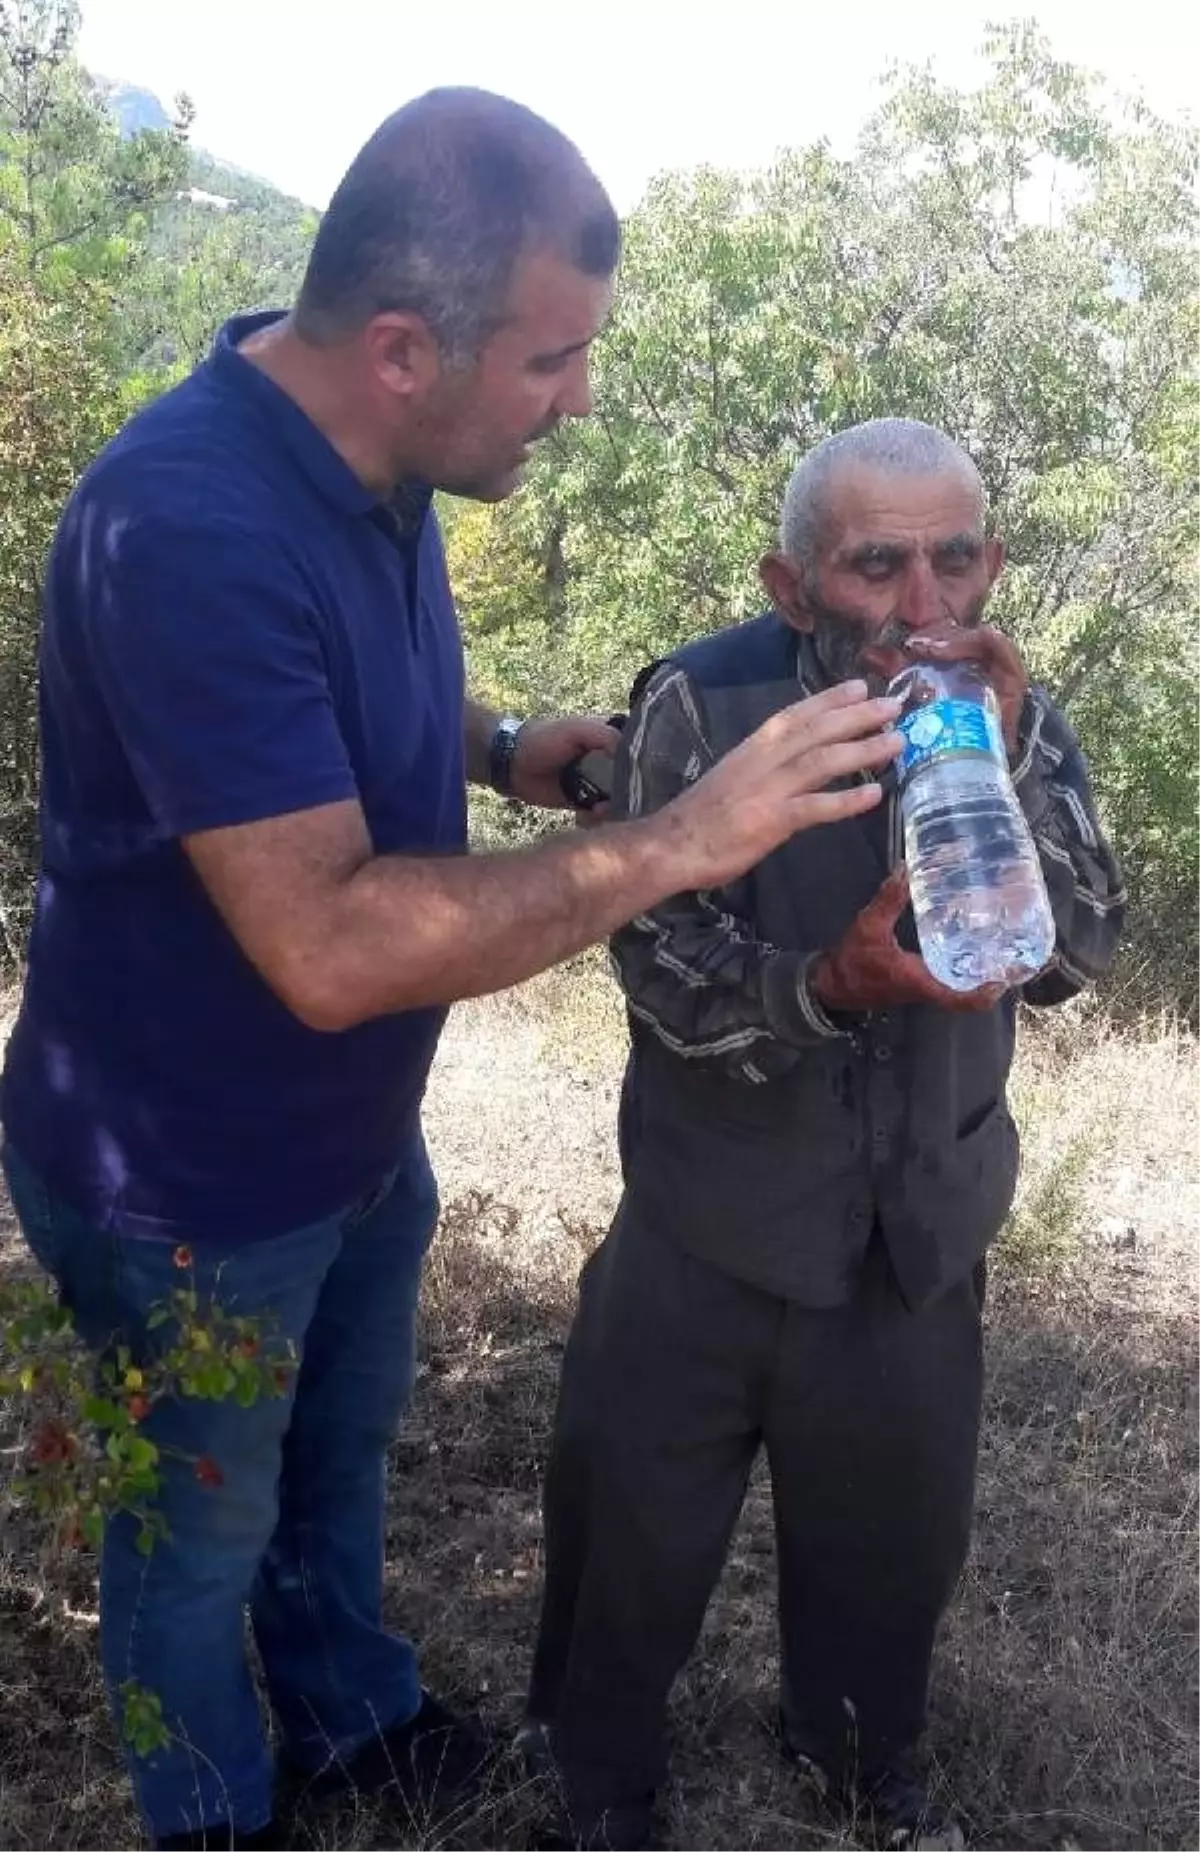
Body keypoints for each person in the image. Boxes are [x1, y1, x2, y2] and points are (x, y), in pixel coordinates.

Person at [0, 94, 905, 1852]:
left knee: (330, 1471)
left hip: (343, 1147)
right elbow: (331, 944)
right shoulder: (185, 524)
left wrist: (500, 745)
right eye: (555, 358)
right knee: (190, 1542)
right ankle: (216, 1813)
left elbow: (329, 705)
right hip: (187, 1183)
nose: (582, 398)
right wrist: (672, 837)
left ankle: (350, 1719)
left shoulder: (379, 457)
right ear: (406, 347)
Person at [525, 418, 1126, 1852]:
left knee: (891, 1544)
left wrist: (1017, 754)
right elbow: (654, 958)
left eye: (955, 558)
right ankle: (598, 1781)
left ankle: (858, 1760)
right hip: (708, 1225)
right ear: (793, 586)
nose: (926, 607)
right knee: (631, 1531)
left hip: (917, 1225)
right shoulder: (703, 705)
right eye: (877, 567)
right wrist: (819, 988)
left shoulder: (1011, 708)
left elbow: (1085, 946)